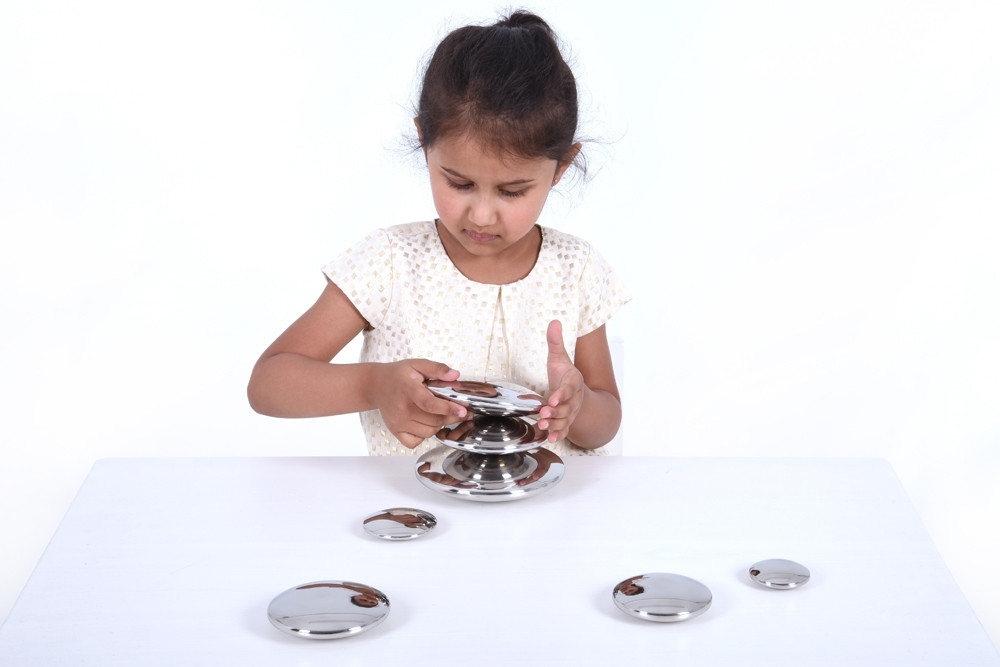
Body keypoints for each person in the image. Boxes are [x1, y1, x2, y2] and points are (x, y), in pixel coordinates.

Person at [247, 11, 630, 458]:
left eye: (512, 191)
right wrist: (373, 385)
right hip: (411, 501)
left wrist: (576, 406)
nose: (481, 215)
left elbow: (604, 426)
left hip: (548, 504)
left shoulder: (575, 270)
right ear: (424, 142)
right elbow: (268, 384)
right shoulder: (389, 262)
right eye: (459, 183)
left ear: (561, 167)